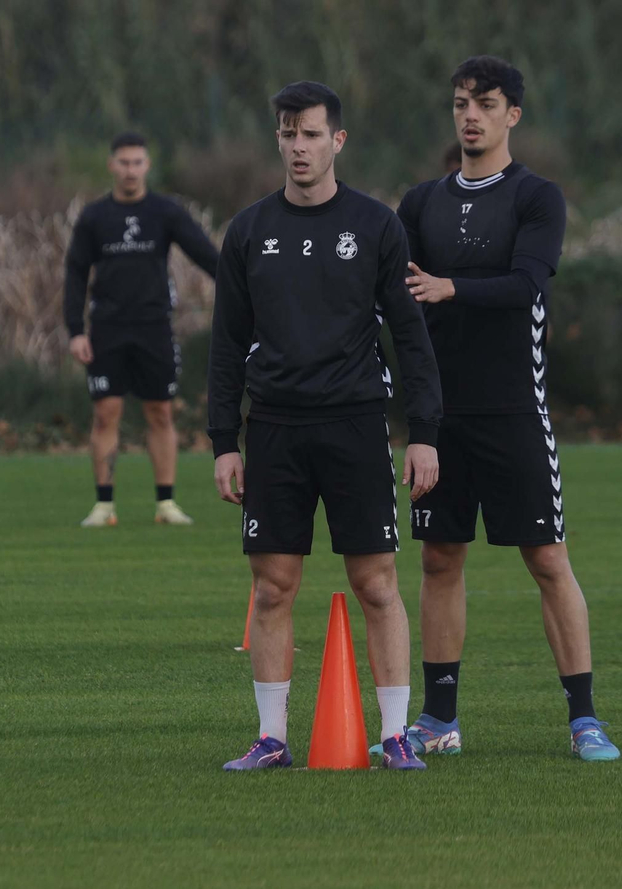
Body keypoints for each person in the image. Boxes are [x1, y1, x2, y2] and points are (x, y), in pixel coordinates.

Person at [207, 81, 443, 771]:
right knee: (272, 587)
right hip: (274, 429)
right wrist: (224, 441)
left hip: (355, 425)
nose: (299, 146)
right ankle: (272, 738)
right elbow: (226, 346)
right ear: (277, 139)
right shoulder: (248, 231)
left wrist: (424, 431)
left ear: (337, 140)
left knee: (377, 584)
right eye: (288, 133)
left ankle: (395, 735)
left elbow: (411, 336)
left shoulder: (375, 226)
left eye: (311, 133)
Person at [394, 55, 619, 762]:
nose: (471, 115)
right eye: (461, 102)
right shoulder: (420, 203)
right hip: (441, 418)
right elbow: (398, 300)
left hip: (515, 410)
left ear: (512, 115)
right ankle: (439, 719)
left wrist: (451, 287)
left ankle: (585, 719)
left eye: (486, 103)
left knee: (547, 558)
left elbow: (528, 287)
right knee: (439, 559)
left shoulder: (536, 197)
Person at [63, 132, 218, 527]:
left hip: (154, 327)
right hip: (107, 328)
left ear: (147, 166)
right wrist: (75, 330)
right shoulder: (94, 217)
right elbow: (76, 273)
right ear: (112, 165)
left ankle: (166, 504)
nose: (130, 170)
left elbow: (205, 254)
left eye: (137, 163)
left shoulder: (165, 212)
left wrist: (241, 286)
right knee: (105, 413)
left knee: (160, 412)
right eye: (123, 162)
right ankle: (104, 506)